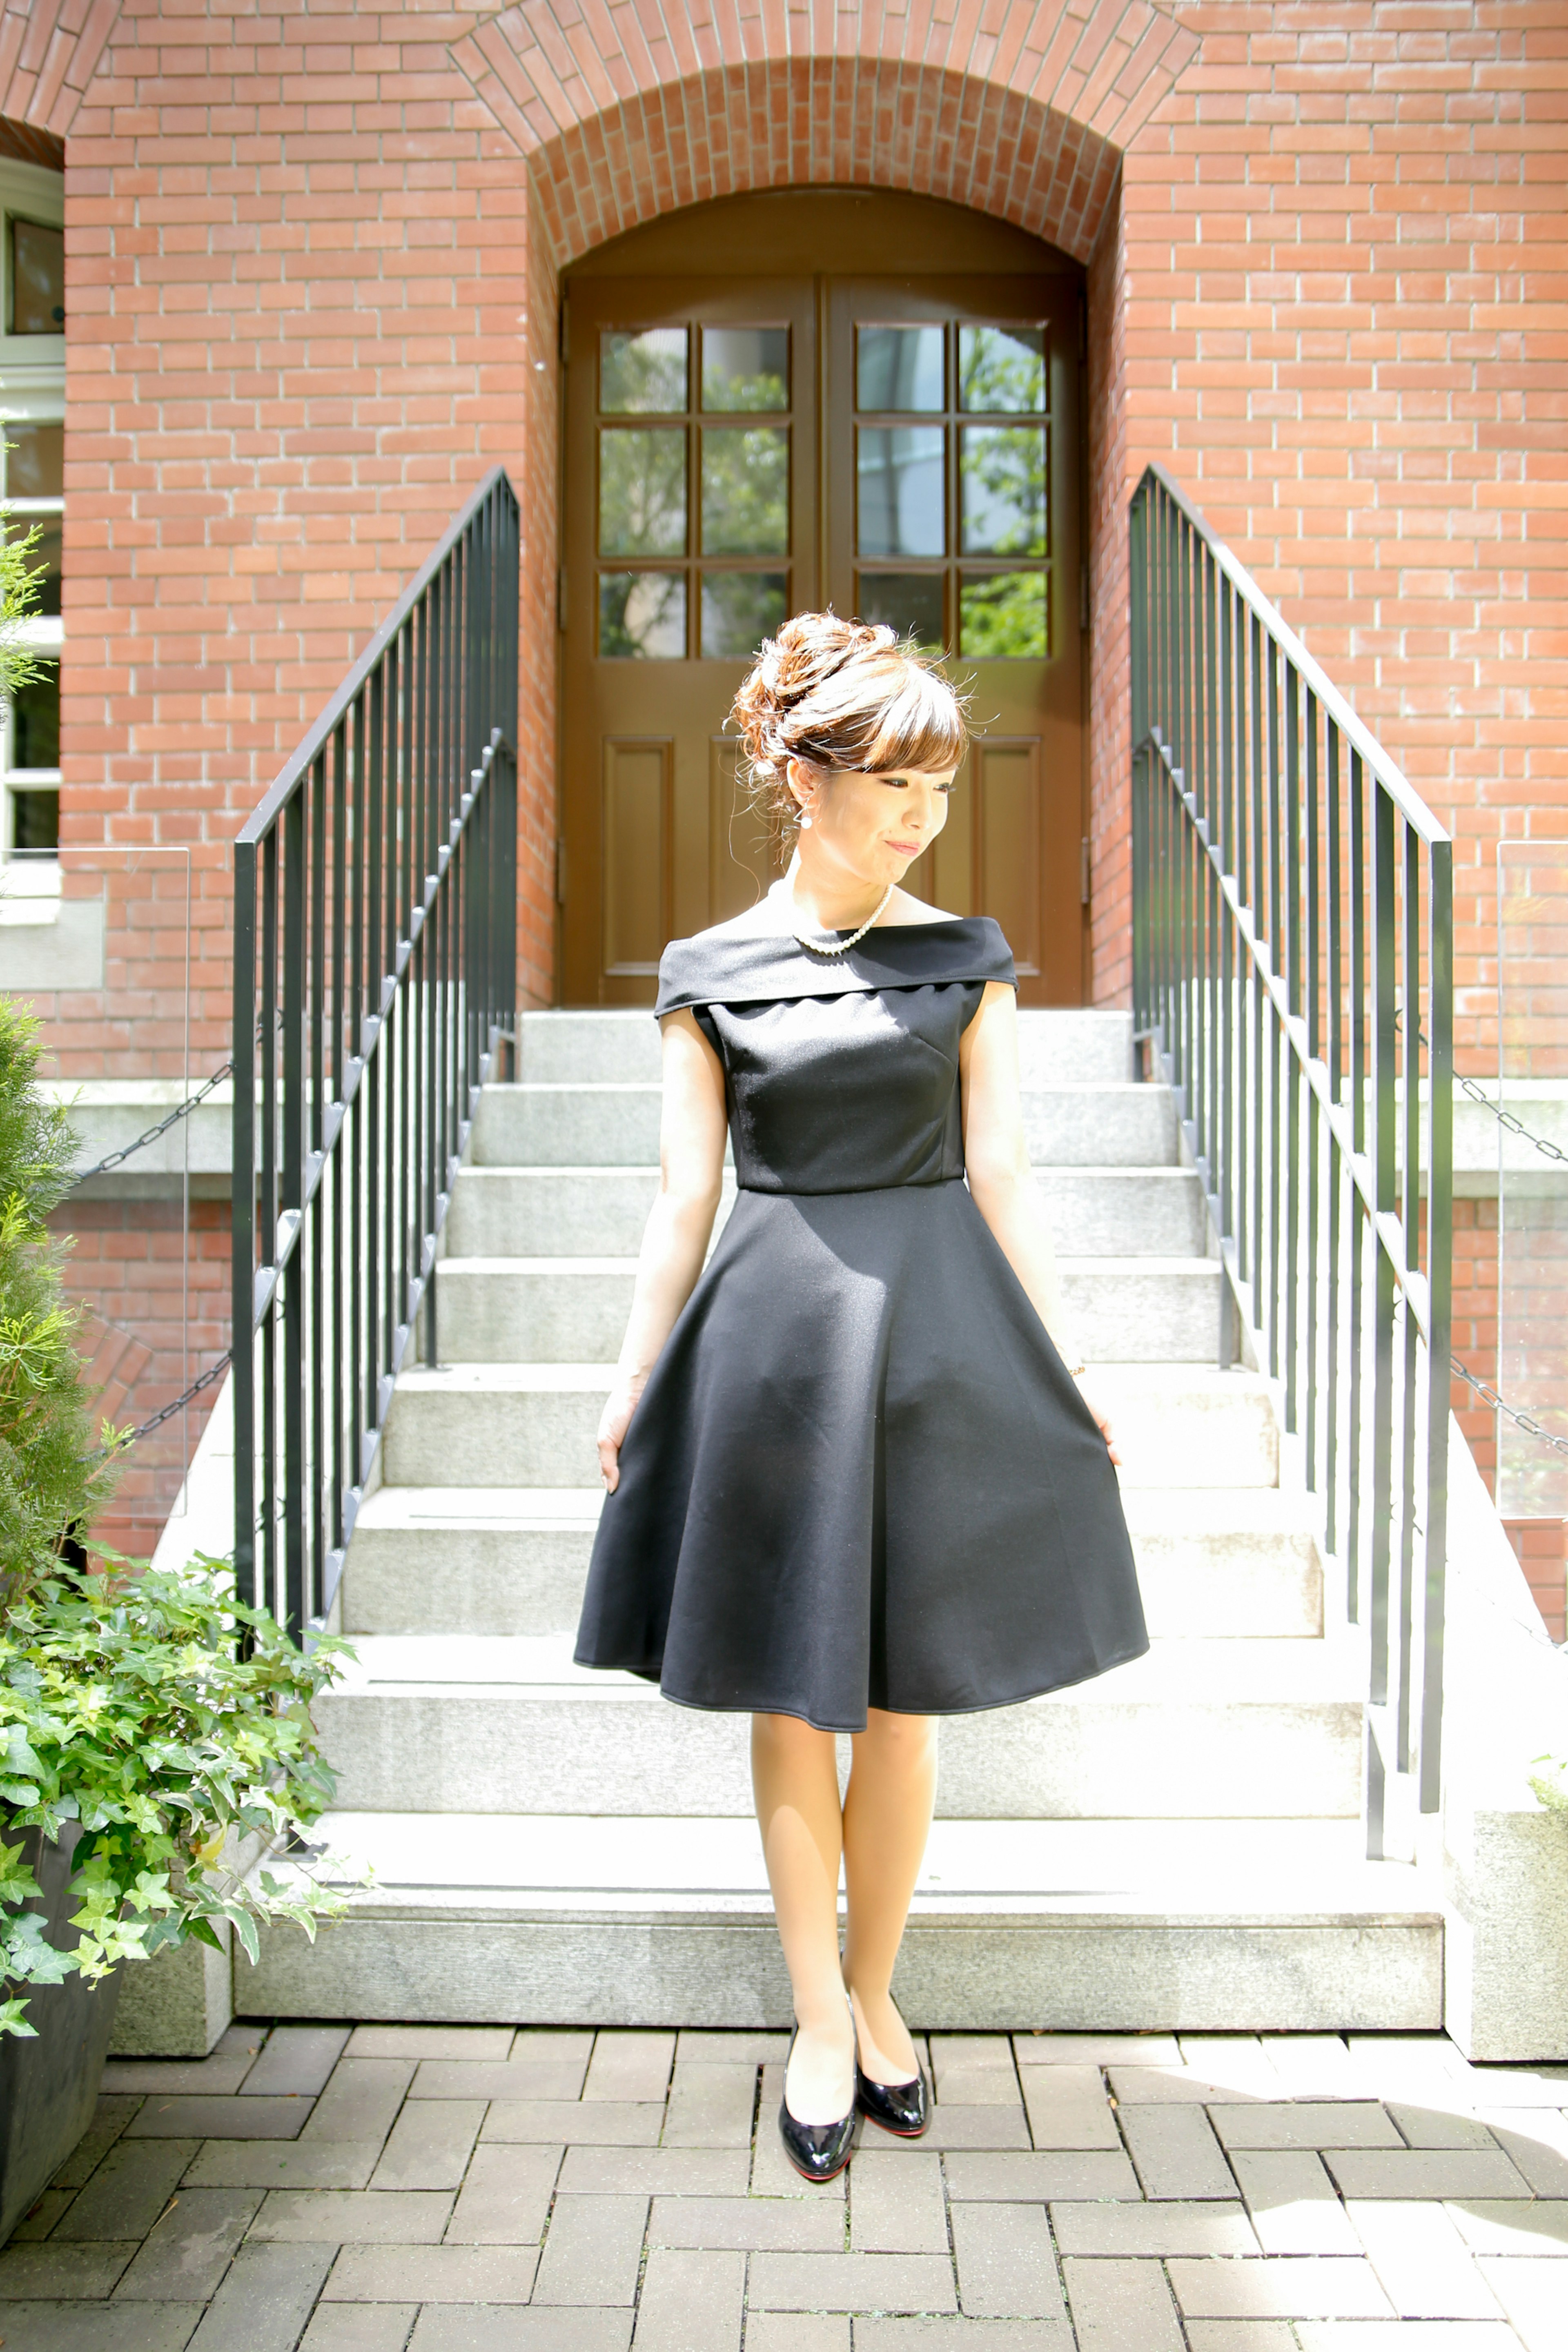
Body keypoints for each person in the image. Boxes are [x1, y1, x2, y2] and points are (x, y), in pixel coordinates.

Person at [575, 613, 1147, 2182]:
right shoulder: (709, 974)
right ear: (798, 771)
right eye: (892, 779)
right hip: (768, 1353)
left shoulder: (966, 959)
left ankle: (883, 1996)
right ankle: (816, 2020)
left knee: (902, 1704)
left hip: (943, 1343)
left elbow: (1006, 1172)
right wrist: (634, 1382)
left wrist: (1071, 1357)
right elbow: (682, 1199)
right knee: (790, 1694)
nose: (920, 812)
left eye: (939, 784)